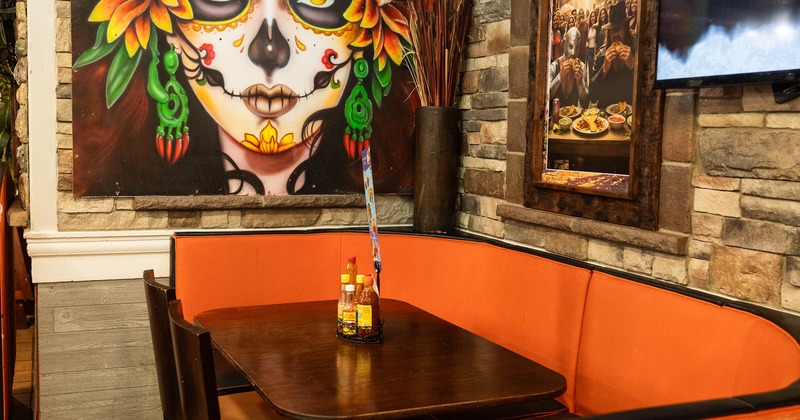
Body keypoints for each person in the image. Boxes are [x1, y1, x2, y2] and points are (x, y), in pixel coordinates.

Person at [71, 0, 417, 196]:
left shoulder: (390, 182)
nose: (270, 50)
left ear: (363, 31)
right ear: (171, 30)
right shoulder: (131, 181)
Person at [589, 1, 636, 109]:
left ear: (625, 29)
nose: (615, 34)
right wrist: (604, 69)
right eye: (611, 31)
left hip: (628, 113)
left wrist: (633, 66)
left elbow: (644, 90)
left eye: (618, 29)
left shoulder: (635, 50)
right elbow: (592, 96)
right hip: (605, 112)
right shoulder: (602, 54)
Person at [548, 27, 590, 109]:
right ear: (564, 45)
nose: (573, 52)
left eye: (577, 47)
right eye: (570, 46)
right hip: (555, 118)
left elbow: (585, 104)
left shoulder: (582, 67)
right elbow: (545, 97)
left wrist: (580, 84)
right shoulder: (554, 66)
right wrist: (560, 77)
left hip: (574, 118)